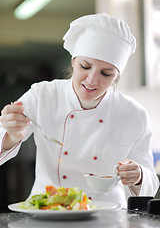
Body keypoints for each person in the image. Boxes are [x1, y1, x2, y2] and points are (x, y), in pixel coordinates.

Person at [0, 13, 159, 208]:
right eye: (85, 66)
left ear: (116, 77)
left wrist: (139, 175)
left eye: (106, 73)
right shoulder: (42, 95)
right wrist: (12, 135)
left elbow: (150, 184)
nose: (92, 80)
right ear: (73, 62)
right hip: (48, 210)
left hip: (108, 216)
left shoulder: (133, 113)